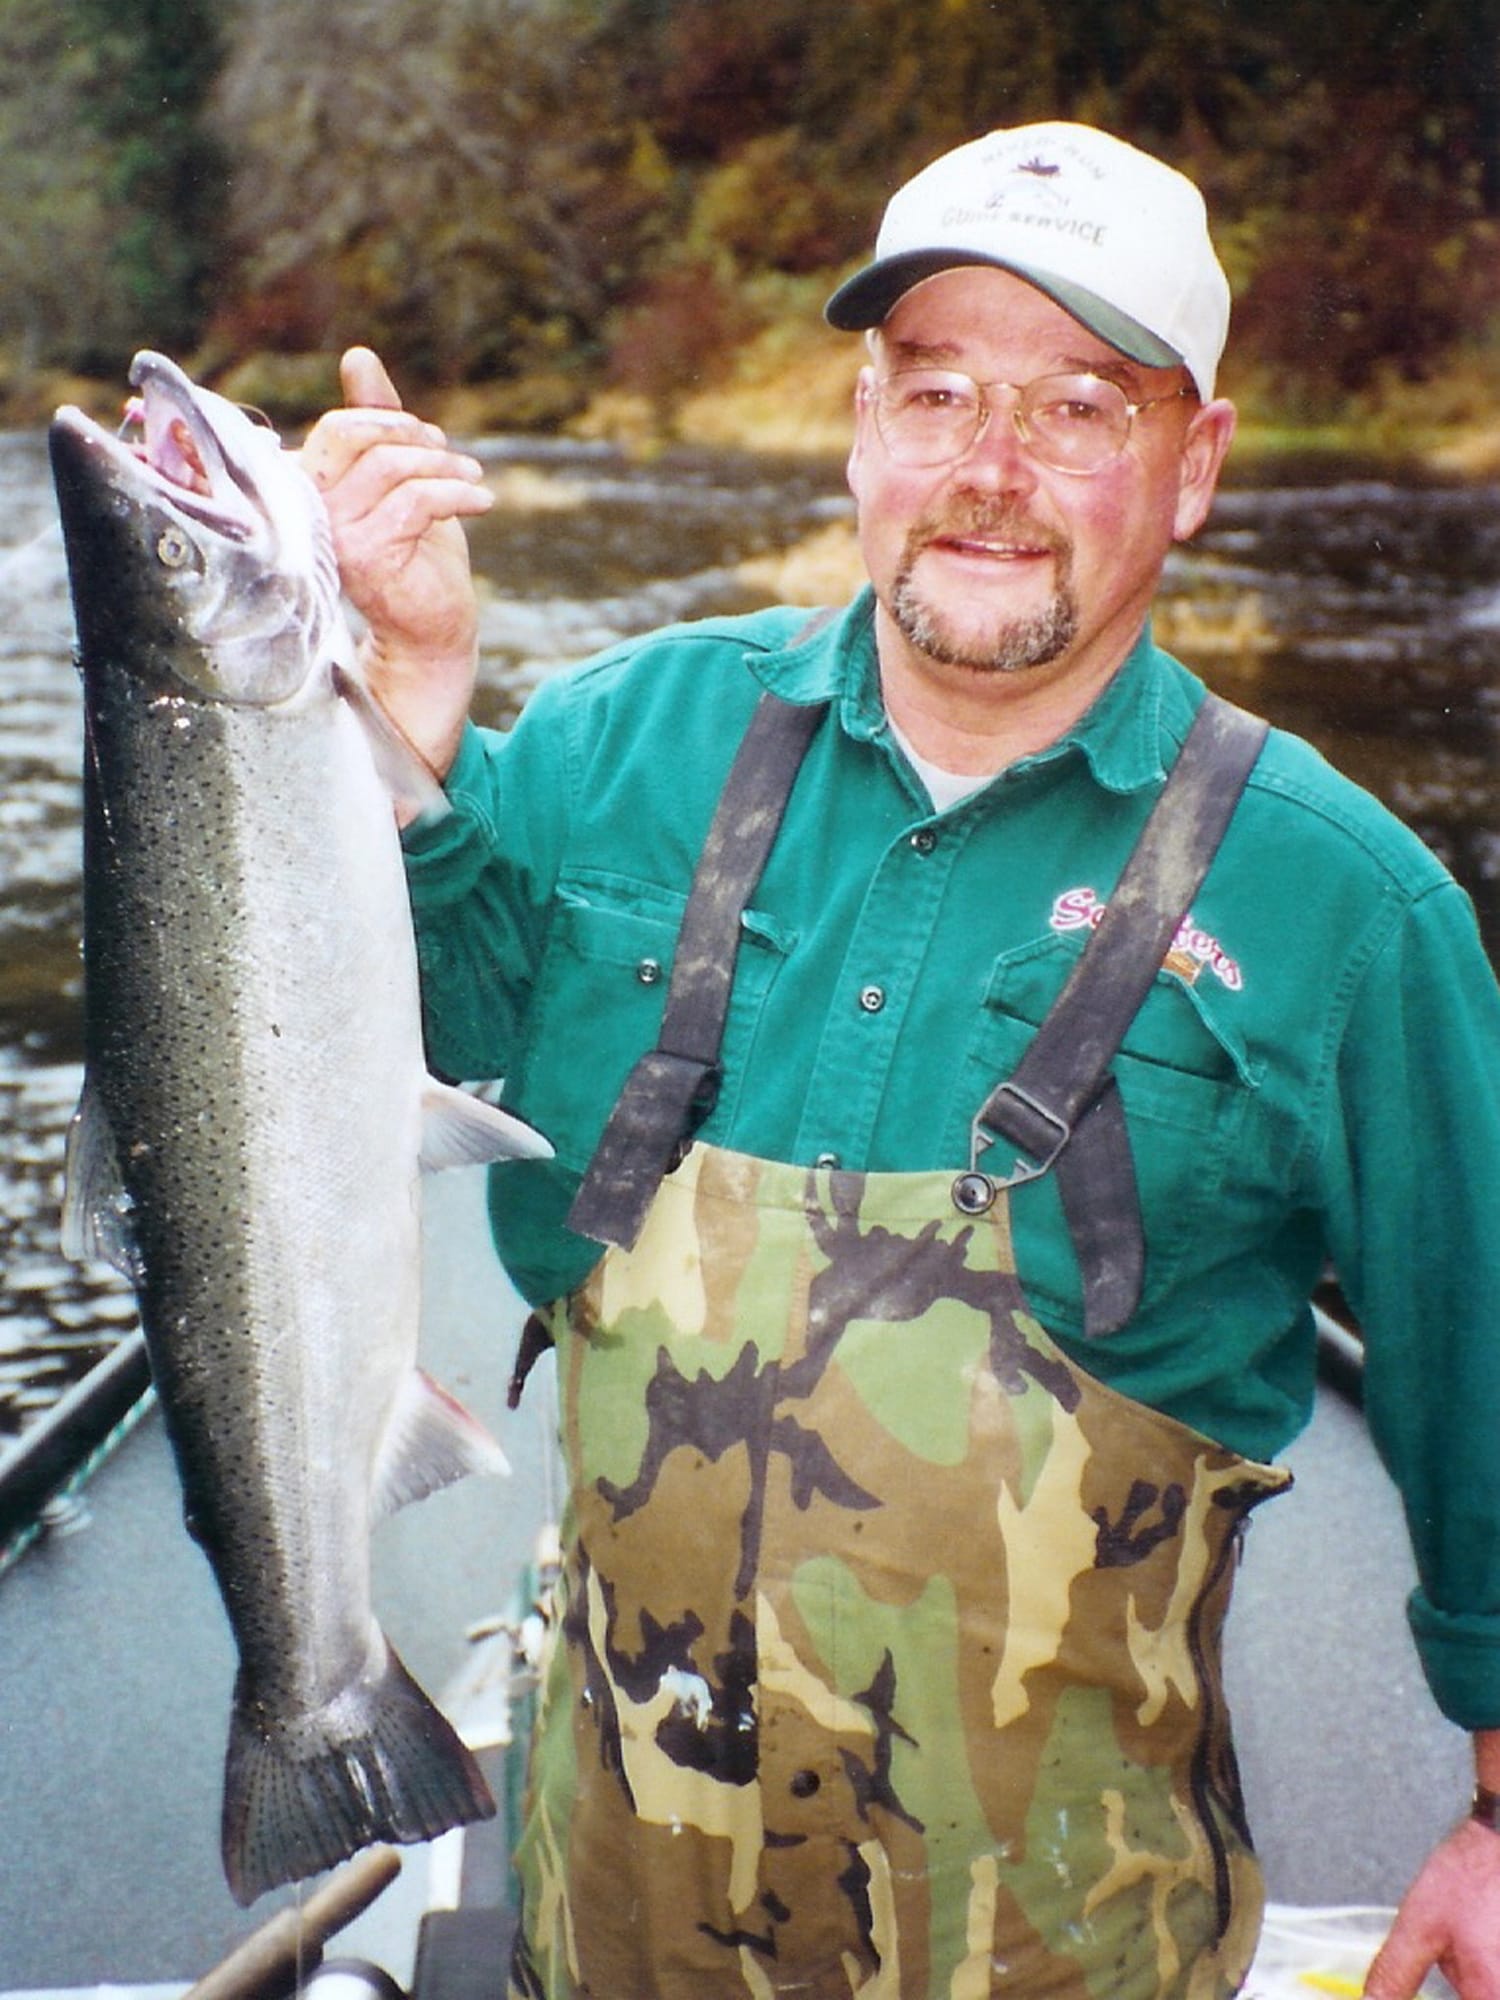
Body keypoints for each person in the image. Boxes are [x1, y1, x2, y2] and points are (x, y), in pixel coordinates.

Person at [302, 122, 1500, 1999]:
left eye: (1081, 408)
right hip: (600, 1915)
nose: (989, 473)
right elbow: (419, 1071)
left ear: (1195, 469)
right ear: (861, 426)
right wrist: (407, 719)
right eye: (935, 392)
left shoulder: (1355, 910)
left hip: (1058, 1949)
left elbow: (1484, 1377)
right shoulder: (622, 735)